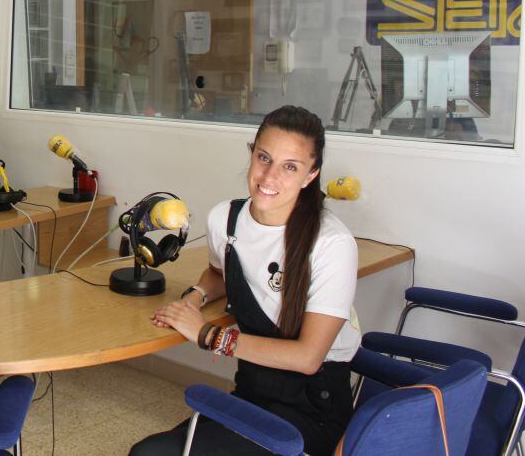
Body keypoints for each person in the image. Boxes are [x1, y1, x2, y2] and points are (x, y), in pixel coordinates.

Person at [131, 106, 360, 456]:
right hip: (253, 393)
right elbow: (221, 272)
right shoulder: (226, 218)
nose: (269, 176)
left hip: (312, 412)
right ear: (252, 153)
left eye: (290, 167)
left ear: (310, 175)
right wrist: (195, 297)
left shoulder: (332, 244)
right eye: (264, 157)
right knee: (151, 451)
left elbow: (307, 358)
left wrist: (209, 335)